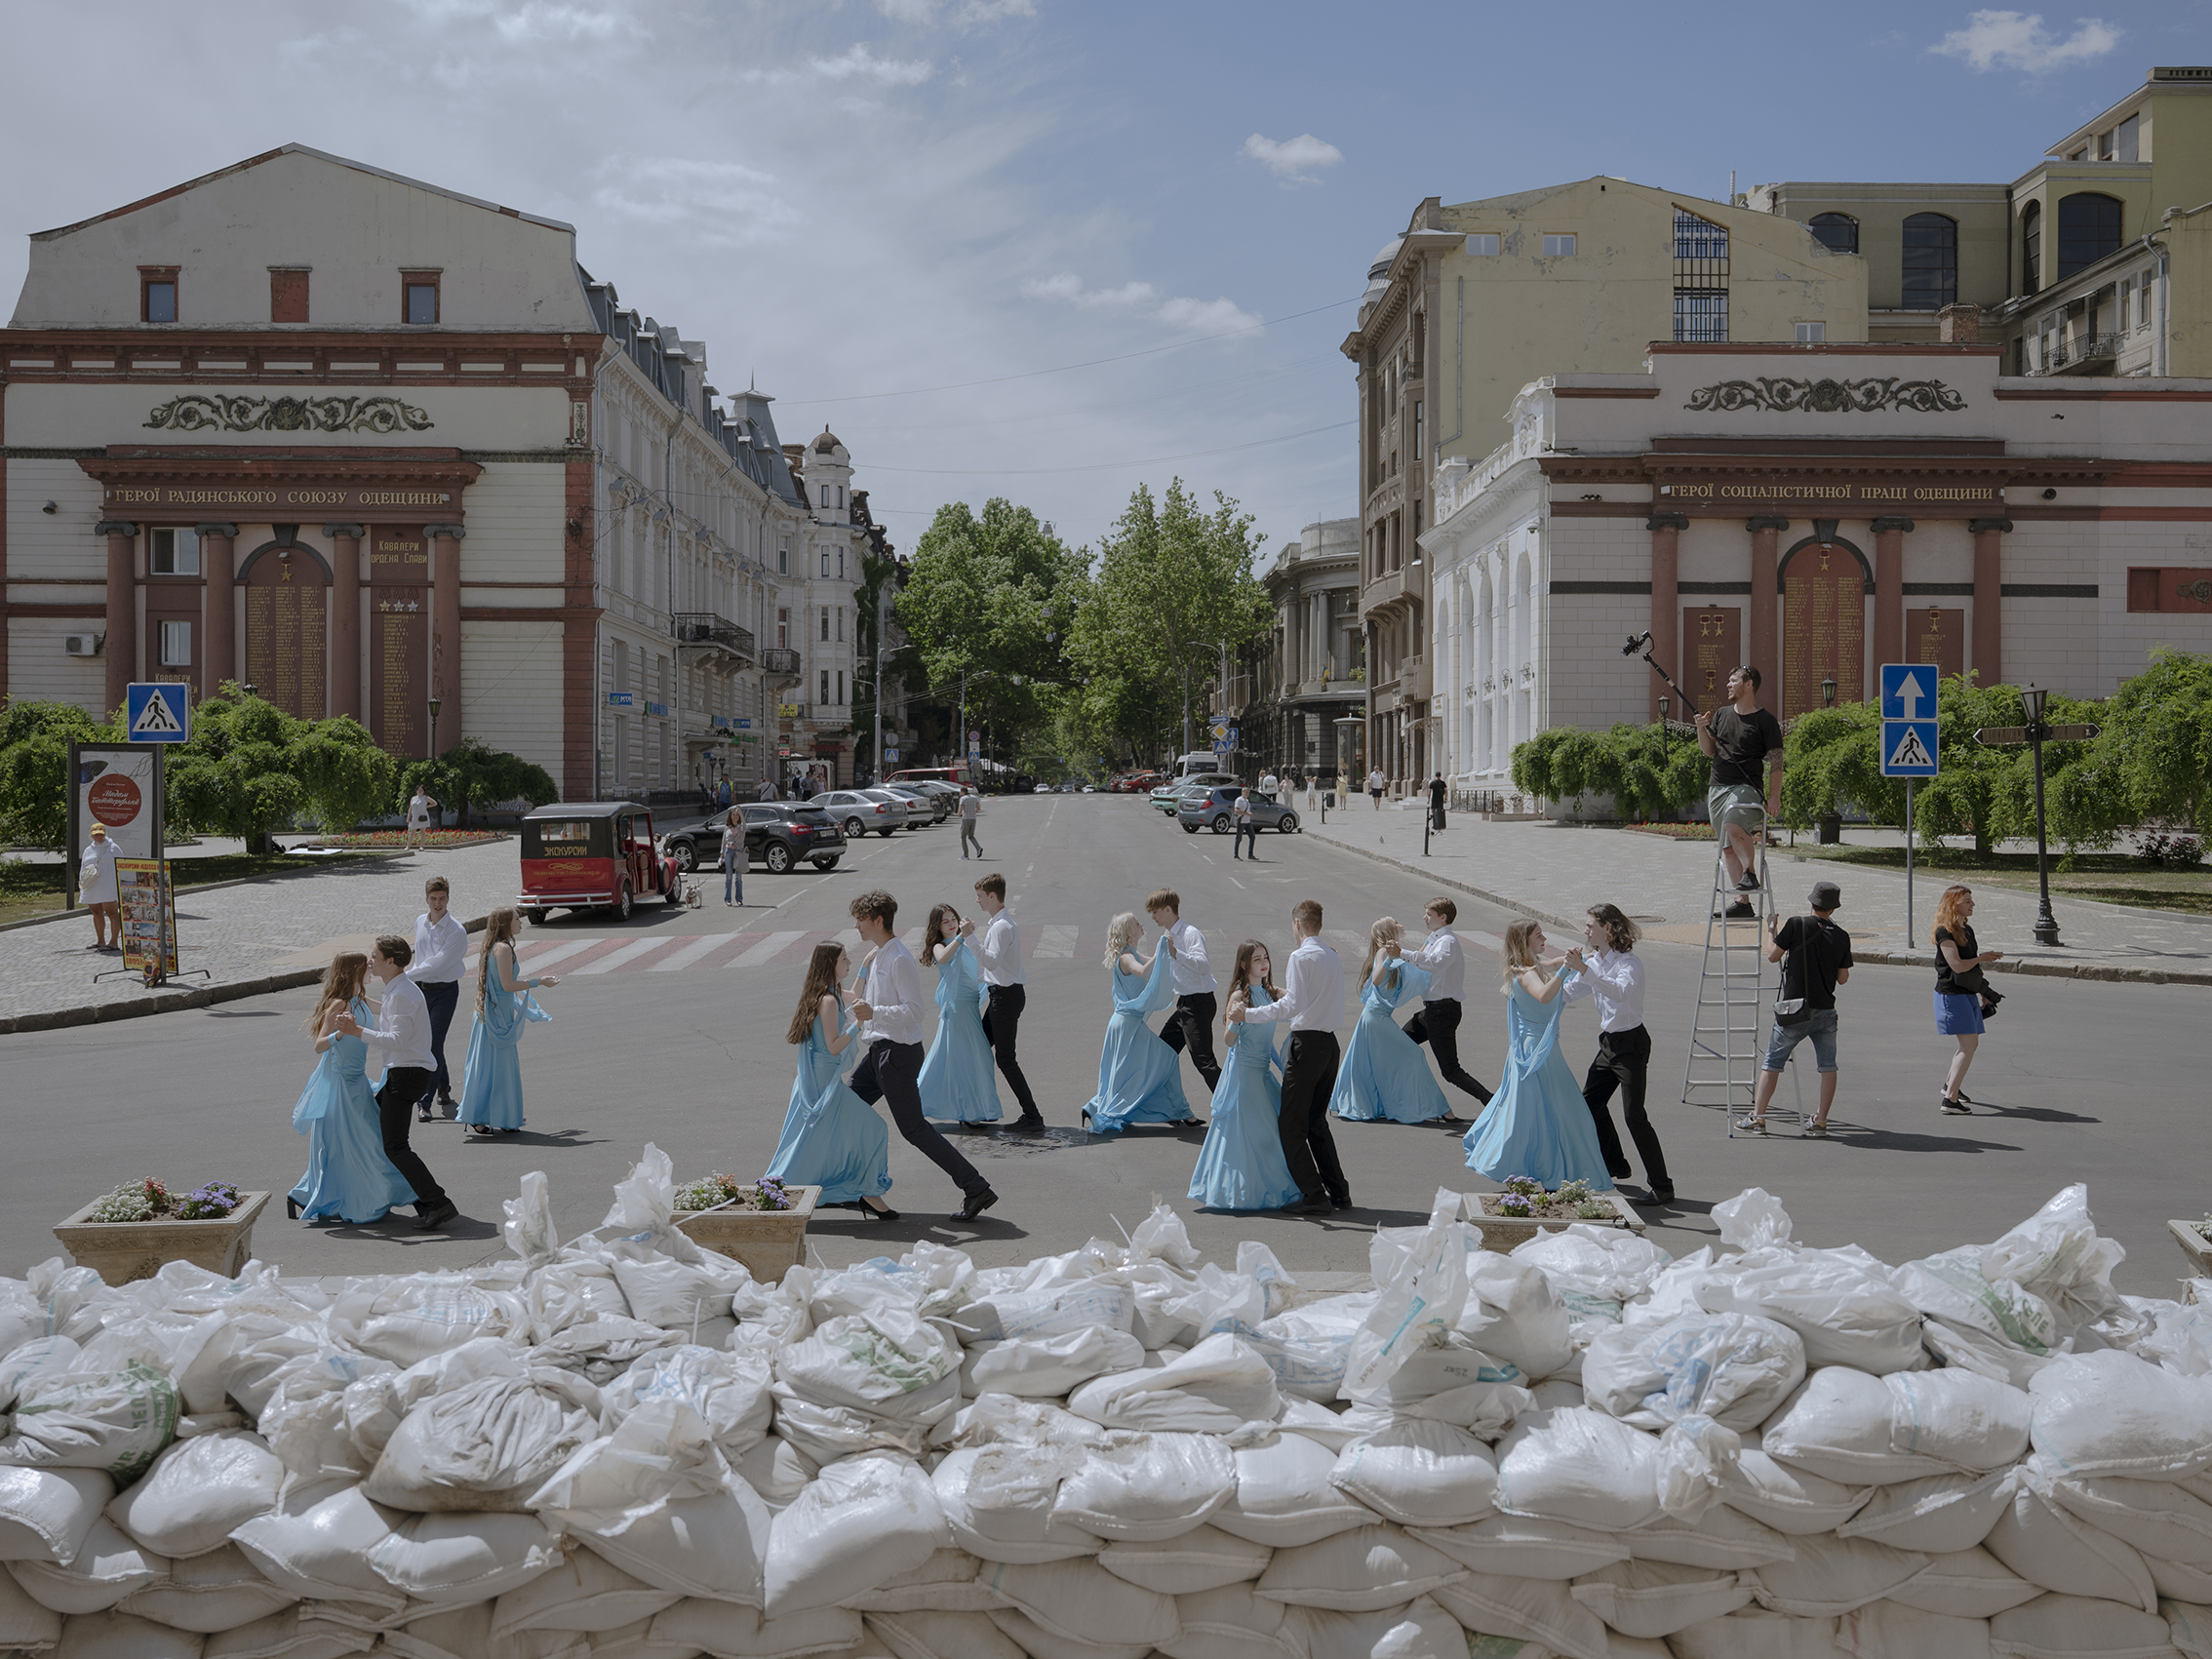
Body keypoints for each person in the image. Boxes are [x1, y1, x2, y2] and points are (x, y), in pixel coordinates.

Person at [846, 889, 1000, 1221]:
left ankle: (975, 1187)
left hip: (898, 1054)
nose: (856, 925)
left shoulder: (898, 958)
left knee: (914, 1128)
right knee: (842, 1110)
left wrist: (874, 1012)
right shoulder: (877, 956)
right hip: (877, 1053)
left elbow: (914, 1011)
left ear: (878, 920)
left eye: (861, 919)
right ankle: (852, 1189)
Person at [1461, 921, 1615, 1192]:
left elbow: (1551, 964)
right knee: (1558, 1110)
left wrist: (1579, 959)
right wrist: (1568, 969)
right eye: (1538, 935)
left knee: (1537, 1112)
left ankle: (1546, 1169)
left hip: (1537, 1049)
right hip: (1536, 1053)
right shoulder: (1526, 973)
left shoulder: (1532, 967)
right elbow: (1545, 996)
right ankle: (1554, 1171)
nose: (1544, 938)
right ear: (1525, 942)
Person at [335, 936, 460, 1231]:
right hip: (403, 1074)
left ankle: (437, 1202)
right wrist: (360, 999)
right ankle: (415, 1199)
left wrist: (356, 1031)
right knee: (377, 1134)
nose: (370, 960)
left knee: (394, 1146)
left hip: (406, 1075)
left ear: (391, 961)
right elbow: (389, 1012)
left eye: (375, 956)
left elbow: (398, 1040)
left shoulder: (402, 993)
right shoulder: (396, 990)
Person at [1233, 898, 1348, 1216]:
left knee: (1291, 1125)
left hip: (1307, 1046)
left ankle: (1315, 1194)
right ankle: (1339, 1191)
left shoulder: (1300, 956)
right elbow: (1313, 999)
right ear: (1319, 924)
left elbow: (1293, 1006)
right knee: (1315, 1122)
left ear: (1297, 924)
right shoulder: (1333, 956)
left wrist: (1250, 1014)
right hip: (1329, 1045)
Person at [287, 951, 417, 1224]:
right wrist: (339, 1033)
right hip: (341, 1085)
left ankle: (311, 1193)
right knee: (366, 1142)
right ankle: (385, 1194)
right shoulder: (339, 1004)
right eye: (366, 966)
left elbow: (389, 1007)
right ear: (355, 971)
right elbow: (319, 1045)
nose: (371, 968)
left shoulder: (360, 999)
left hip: (358, 1080)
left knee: (361, 1143)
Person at [768, 943, 895, 1218]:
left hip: (821, 1082)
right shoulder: (827, 1000)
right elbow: (834, 1046)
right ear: (831, 965)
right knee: (872, 1129)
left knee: (815, 1144)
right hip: (824, 1088)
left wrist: (865, 964)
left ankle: (865, 1193)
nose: (848, 963)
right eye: (844, 960)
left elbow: (855, 995)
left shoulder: (832, 993)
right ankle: (864, 1192)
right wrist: (858, 1025)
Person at [1562, 903, 1673, 1204]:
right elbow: (1569, 992)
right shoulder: (1595, 962)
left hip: (1631, 1044)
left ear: (1607, 929)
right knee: (1589, 1104)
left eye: (1589, 926)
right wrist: (1532, 988)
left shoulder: (1629, 964)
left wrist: (1584, 969)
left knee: (1634, 1116)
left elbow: (1620, 991)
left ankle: (1663, 1186)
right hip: (1609, 1043)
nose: (1585, 931)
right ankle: (1616, 1164)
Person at [1189, 940, 1303, 1212]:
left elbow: (1298, 1001)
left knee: (1271, 1132)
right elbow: (1228, 1041)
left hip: (1263, 1071)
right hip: (1245, 1073)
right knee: (1258, 1133)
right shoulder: (1239, 997)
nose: (1264, 963)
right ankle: (1247, 1189)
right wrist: (1237, 1020)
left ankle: (1274, 1184)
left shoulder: (1270, 991)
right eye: (1256, 960)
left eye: (1266, 958)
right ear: (1244, 964)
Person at [1738, 881, 1852, 1136]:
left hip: (1795, 1010)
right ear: (1833, 909)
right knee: (1827, 1066)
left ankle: (1758, 1117)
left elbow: (1772, 956)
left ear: (1811, 902)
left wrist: (1770, 929)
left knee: (1773, 1062)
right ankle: (1821, 1121)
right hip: (1826, 1011)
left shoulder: (1796, 924)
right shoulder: (1842, 936)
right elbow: (1843, 978)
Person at [1329, 918, 1452, 1125]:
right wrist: (1387, 961)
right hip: (1376, 1017)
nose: (1401, 924)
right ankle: (1440, 1108)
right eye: (1396, 922)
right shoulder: (1383, 953)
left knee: (1377, 1063)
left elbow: (1417, 960)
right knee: (1414, 1054)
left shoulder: (1394, 952)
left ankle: (1410, 1105)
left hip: (1378, 1016)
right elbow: (1376, 979)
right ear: (1389, 931)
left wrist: (1431, 940)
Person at [1083, 913, 1192, 1134]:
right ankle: (1179, 1112)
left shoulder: (1131, 953)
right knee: (1165, 1058)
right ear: (1128, 931)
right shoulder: (1125, 957)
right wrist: (1161, 950)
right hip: (1126, 1025)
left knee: (1126, 1073)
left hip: (1127, 1024)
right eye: (1136, 923)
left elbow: (1154, 963)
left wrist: (1165, 945)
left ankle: (1094, 1106)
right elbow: (1143, 971)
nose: (1141, 924)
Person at [1694, 665, 1785, 921]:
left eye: (1733, 680)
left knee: (1733, 826)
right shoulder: (1722, 714)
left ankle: (1750, 874)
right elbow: (1709, 751)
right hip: (1717, 787)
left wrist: (1775, 795)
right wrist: (1702, 728)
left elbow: (1776, 763)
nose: (1728, 685)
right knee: (1727, 847)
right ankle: (1742, 903)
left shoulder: (1766, 721)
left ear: (1749, 685)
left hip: (1747, 789)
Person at [456, 907, 556, 1137]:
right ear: (505, 924)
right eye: (516, 919)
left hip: (496, 1013)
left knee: (497, 1068)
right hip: (495, 1017)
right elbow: (507, 985)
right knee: (493, 1067)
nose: (520, 922)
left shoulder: (499, 947)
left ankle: (503, 1117)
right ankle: (483, 1117)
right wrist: (538, 982)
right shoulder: (502, 949)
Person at [967, 872, 1044, 1130]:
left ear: (992, 896)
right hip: (1002, 995)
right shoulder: (1000, 923)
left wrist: (969, 937)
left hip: (1005, 997)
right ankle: (977, 1109)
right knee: (979, 1048)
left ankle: (1033, 1117)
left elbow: (990, 961)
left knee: (1005, 1059)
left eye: (979, 896)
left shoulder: (1001, 926)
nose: (976, 901)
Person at [1402, 897, 1494, 1109]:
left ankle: (1491, 1100)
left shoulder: (1448, 942)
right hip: (1432, 1011)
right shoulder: (1435, 939)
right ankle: (1410, 1096)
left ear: (1443, 918)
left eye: (1429, 914)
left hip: (1442, 1011)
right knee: (1401, 1042)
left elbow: (1435, 963)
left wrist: (1402, 953)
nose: (1424, 917)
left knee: (1450, 1070)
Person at [916, 902, 1003, 1124]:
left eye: (953, 919)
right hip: (956, 1006)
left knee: (960, 1057)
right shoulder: (940, 945)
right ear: (938, 926)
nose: (951, 924)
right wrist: (962, 937)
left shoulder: (963, 942)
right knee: (977, 1055)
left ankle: (969, 1109)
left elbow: (982, 965)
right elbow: (943, 958)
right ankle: (970, 1112)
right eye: (945, 921)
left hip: (970, 1005)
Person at [1933, 884, 2001, 1116]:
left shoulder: (1966, 929)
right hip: (1951, 995)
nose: (1973, 905)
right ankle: (1950, 1100)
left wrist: (1984, 991)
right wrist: (1981, 957)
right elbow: (1957, 966)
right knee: (1968, 1045)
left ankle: (1949, 1086)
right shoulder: (1944, 931)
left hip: (1966, 993)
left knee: (1969, 1045)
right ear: (1954, 905)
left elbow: (1972, 968)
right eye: (1967, 901)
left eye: (1971, 900)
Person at [1147, 889, 1220, 1107]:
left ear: (1168, 909)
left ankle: (1234, 1105)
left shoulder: (1190, 934)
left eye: (1155, 911)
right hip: (1185, 1004)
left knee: (1203, 1060)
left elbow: (1204, 966)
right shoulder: (1166, 935)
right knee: (1163, 1052)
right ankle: (1171, 1107)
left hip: (1199, 1003)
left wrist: (1176, 952)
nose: (1152, 917)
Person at [409, 876, 467, 1122]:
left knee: (431, 1044)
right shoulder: (421, 921)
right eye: (433, 899)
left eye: (442, 898)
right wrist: (410, 981)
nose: (438, 903)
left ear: (448, 899)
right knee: (432, 1042)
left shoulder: (456, 931)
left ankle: (425, 1101)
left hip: (445, 991)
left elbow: (437, 964)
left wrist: (403, 976)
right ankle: (443, 1087)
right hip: (421, 990)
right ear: (426, 899)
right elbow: (420, 956)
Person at [78, 822, 120, 952]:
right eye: (96, 835)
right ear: (91, 835)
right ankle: (100, 941)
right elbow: (83, 868)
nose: (99, 837)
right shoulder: (88, 850)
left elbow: (122, 864)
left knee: (112, 912)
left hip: (108, 885)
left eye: (101, 834)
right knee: (96, 912)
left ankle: (113, 942)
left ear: (105, 834)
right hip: (92, 885)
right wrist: (82, 884)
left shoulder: (113, 847)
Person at [721, 810, 746, 906]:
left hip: (739, 852)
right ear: (730, 817)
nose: (735, 816)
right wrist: (721, 855)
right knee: (728, 877)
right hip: (729, 852)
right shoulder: (727, 827)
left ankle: (739, 899)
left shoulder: (741, 827)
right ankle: (727, 899)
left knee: (738, 877)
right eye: (733, 815)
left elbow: (744, 825)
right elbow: (723, 842)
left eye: (737, 815)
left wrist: (741, 814)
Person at [404, 785, 437, 852]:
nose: (420, 791)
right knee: (412, 832)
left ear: (424, 791)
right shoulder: (413, 798)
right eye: (418, 790)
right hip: (415, 817)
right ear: (416, 791)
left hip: (423, 816)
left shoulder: (425, 798)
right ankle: (408, 846)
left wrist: (427, 807)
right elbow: (410, 808)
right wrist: (408, 817)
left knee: (422, 831)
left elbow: (434, 803)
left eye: (421, 790)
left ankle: (421, 846)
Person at [1231, 790, 1261, 861]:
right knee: (1238, 838)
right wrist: (1247, 814)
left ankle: (1250, 854)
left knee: (1252, 837)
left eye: (1248, 793)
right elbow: (1236, 811)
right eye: (1246, 792)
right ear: (1242, 792)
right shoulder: (1239, 800)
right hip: (1241, 822)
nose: (1248, 794)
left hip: (1247, 822)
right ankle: (1235, 855)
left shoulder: (1246, 800)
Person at [958, 786, 984, 859]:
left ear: (962, 792)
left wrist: (958, 814)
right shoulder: (974, 797)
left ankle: (965, 855)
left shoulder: (963, 799)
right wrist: (973, 811)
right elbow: (978, 808)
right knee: (971, 835)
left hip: (966, 818)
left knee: (963, 837)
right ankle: (978, 848)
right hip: (973, 818)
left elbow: (960, 811)